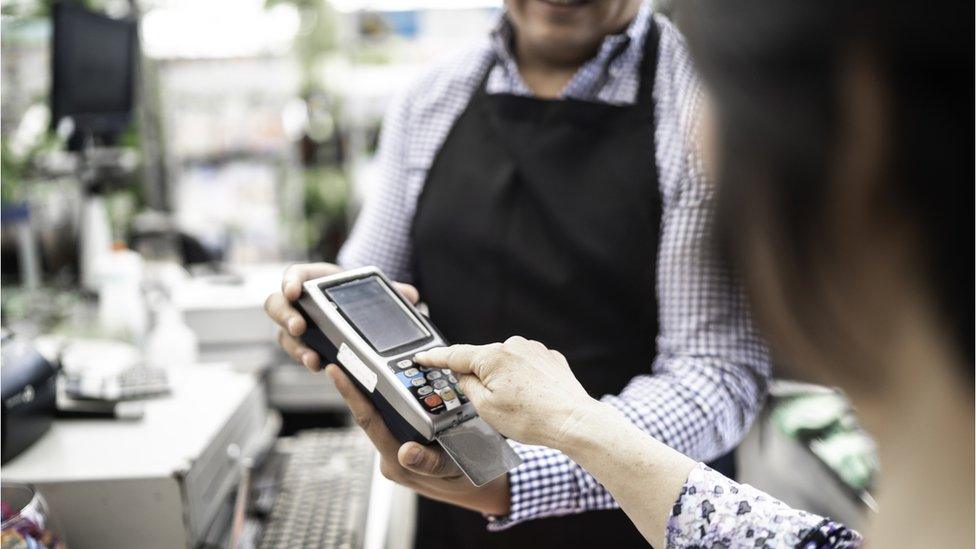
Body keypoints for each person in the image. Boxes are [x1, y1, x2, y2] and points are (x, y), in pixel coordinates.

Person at [398, 0, 973, 546]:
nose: (708, 151)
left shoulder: (680, 90)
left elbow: (719, 367)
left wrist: (527, 466)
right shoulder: (433, 92)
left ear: (861, 137)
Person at [264, 1, 771, 546]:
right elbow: (376, 278)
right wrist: (330, 308)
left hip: (646, 517)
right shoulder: (432, 96)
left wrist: (519, 474)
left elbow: (717, 371)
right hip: (456, 500)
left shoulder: (706, 104)